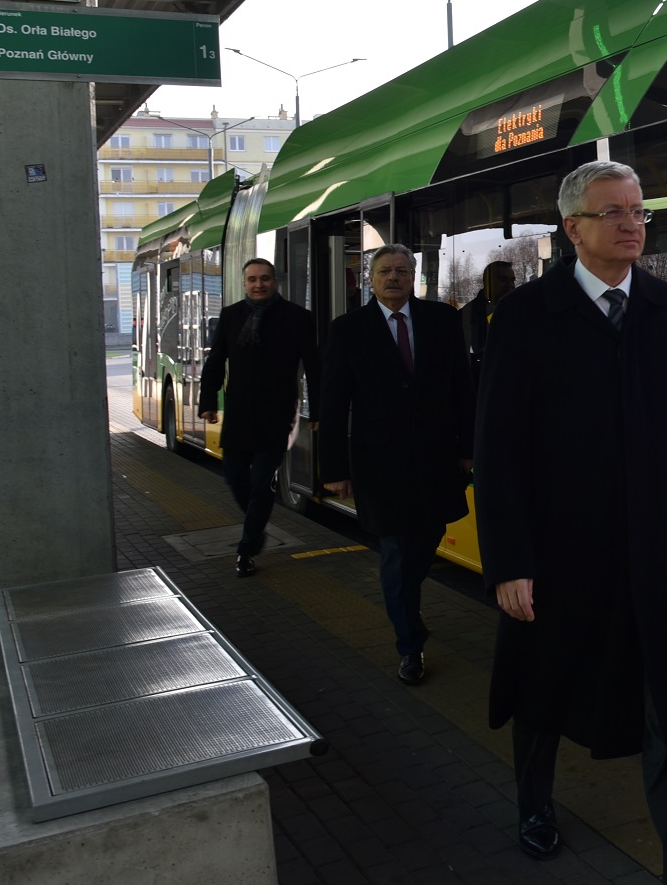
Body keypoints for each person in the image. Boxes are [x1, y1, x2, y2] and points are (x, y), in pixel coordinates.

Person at [473, 160, 667, 885]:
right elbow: (500, 450)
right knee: (543, 684)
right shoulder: (527, 317)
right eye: (615, 213)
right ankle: (535, 801)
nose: (634, 225)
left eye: (639, 211)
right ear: (574, 230)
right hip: (561, 554)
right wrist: (510, 561)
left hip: (661, 548)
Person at [320, 243, 474, 684]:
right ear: (370, 279)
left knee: (424, 546)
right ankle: (410, 645)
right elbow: (333, 405)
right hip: (379, 467)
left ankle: (408, 610)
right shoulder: (348, 330)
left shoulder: (443, 321)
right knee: (397, 554)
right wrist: (334, 470)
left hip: (437, 461)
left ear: (414, 276)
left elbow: (463, 387)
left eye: (402, 271)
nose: (394, 278)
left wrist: (469, 447)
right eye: (385, 271)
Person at [198, 258, 321, 575]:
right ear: (244, 283)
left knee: (261, 481)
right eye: (252, 279)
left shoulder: (298, 318)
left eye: (264, 279)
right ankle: (258, 522)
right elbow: (215, 362)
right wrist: (208, 401)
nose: (258, 284)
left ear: (274, 281)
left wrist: (319, 410)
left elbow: (315, 367)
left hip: (277, 413)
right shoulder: (231, 316)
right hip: (239, 412)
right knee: (234, 477)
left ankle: (247, 549)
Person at [460, 260, 516, 379]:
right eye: (503, 279)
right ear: (488, 282)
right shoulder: (469, 314)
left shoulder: (516, 312)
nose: (510, 285)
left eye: (512, 280)